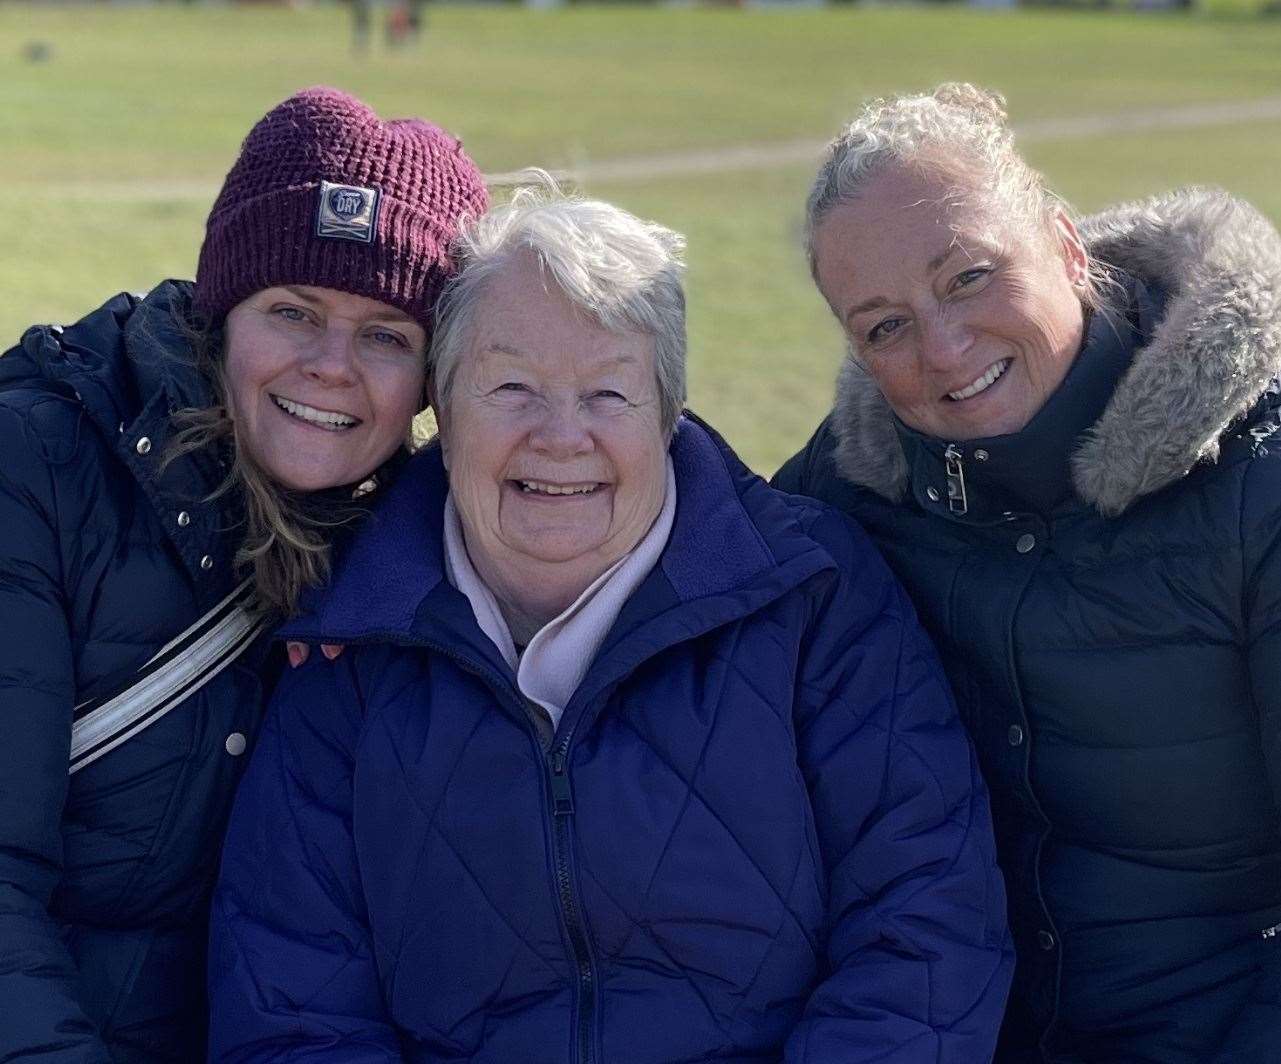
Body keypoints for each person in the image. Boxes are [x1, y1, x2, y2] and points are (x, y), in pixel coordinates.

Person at [208, 189, 1014, 1062]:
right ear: (443, 402)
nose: (562, 437)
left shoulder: (814, 596)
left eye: (608, 393)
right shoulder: (351, 640)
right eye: (511, 386)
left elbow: (925, 930)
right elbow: (291, 1001)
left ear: (667, 411)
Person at [773, 83, 1281, 1063]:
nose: (943, 347)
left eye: (968, 276)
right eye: (884, 326)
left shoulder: (1257, 476)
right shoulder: (861, 476)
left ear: (1066, 243)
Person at [0, 87, 487, 1062]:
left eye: (388, 334)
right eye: (292, 311)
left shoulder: (429, 545)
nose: (330, 365)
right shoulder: (38, 465)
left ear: (435, 378)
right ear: (224, 311)